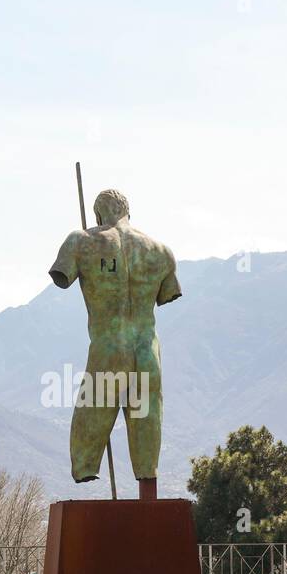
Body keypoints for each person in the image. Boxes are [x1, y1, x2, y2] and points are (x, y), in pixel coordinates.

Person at [48, 189, 181, 499]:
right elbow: (167, 295)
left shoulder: (81, 241)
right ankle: (147, 472)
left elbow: (62, 276)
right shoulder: (160, 251)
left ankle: (85, 467)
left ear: (97, 214)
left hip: (109, 349)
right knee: (147, 418)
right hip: (147, 352)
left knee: (92, 411)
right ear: (128, 211)